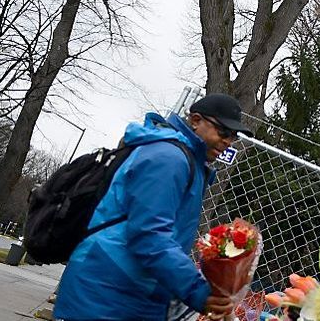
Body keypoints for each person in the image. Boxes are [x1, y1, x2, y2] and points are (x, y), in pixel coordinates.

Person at [54, 93, 254, 321]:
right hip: (109, 288)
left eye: (233, 137)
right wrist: (197, 291)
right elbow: (149, 235)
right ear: (196, 120)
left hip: (127, 289)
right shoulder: (169, 159)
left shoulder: (187, 161)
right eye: (223, 132)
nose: (228, 141)